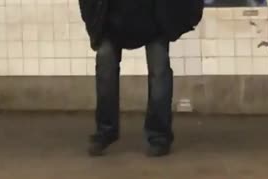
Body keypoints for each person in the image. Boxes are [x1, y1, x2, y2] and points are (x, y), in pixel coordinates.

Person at [79, 0, 204, 157]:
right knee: (106, 73)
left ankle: (159, 136)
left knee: (159, 75)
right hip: (111, 23)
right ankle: (105, 132)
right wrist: (94, 22)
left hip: (154, 22)